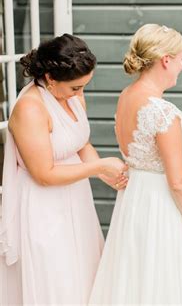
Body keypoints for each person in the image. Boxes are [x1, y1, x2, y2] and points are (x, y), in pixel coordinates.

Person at [0, 34, 128, 304]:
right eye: (75, 88)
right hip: (44, 205)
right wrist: (99, 166)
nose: (80, 94)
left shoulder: (71, 97)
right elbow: (44, 174)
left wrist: (108, 176)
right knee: (56, 278)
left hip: (76, 198)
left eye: (84, 87)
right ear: (50, 78)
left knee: (81, 269)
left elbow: (81, 143)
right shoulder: (31, 110)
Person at [88, 24, 182, 304]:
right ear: (165, 60)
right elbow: (177, 182)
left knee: (134, 271)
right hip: (163, 204)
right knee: (163, 275)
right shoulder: (162, 113)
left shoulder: (126, 96)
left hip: (134, 199)